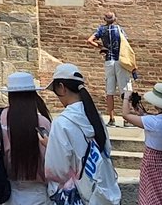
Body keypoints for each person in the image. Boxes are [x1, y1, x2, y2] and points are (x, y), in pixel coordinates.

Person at [44, 62, 121, 204]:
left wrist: (50, 147)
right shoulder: (94, 115)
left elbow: (56, 171)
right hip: (105, 193)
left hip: (82, 197)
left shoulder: (61, 123)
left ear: (61, 87)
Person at [0, 70, 52, 205]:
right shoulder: (43, 123)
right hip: (39, 193)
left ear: (10, 95)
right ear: (32, 95)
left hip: (8, 190)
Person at [123, 81, 162, 205]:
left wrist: (126, 97)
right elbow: (155, 121)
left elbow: (125, 114)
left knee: (152, 196)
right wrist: (142, 113)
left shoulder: (153, 122)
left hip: (153, 163)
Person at [86, 10, 130, 125]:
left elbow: (90, 40)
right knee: (124, 89)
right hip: (119, 60)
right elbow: (125, 43)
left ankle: (111, 119)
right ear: (114, 19)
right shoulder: (119, 29)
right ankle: (126, 119)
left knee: (110, 91)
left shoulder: (101, 29)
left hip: (108, 61)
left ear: (105, 20)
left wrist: (101, 47)